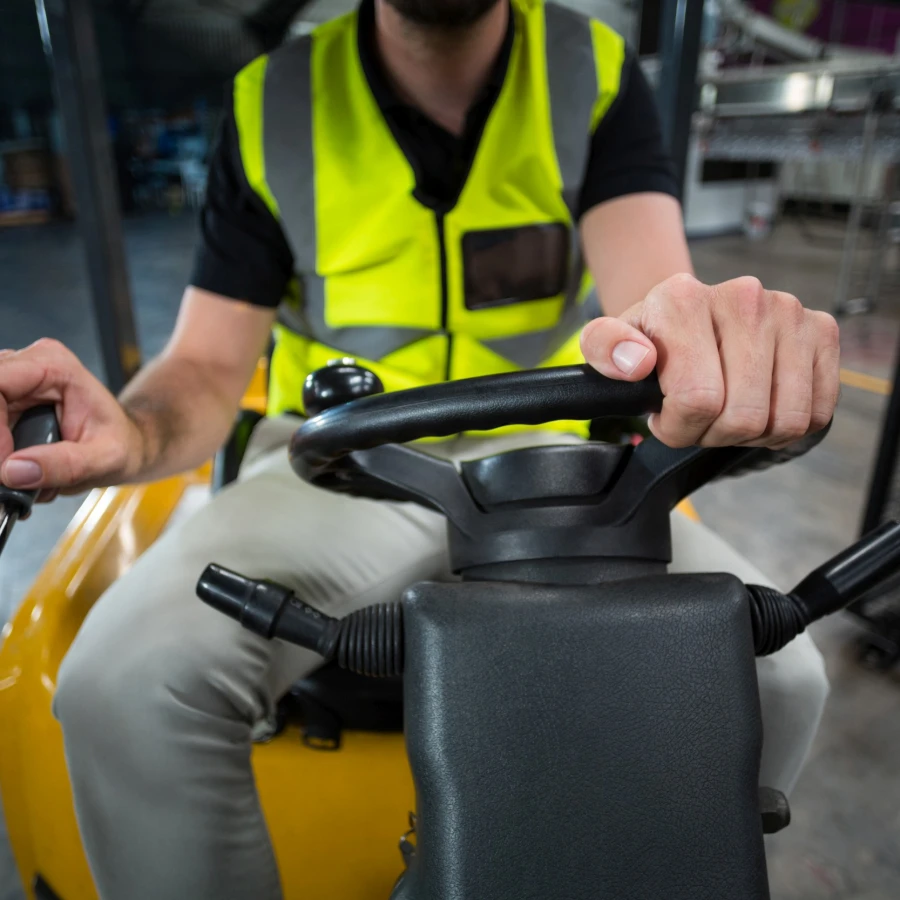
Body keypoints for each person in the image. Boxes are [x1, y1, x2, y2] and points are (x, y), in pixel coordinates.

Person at [0, 1, 839, 898]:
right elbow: (206, 364)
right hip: (343, 468)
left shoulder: (587, 70)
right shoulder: (275, 100)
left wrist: (709, 339)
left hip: (551, 469)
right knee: (122, 684)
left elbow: (656, 297)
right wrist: (130, 433)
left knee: (781, 675)